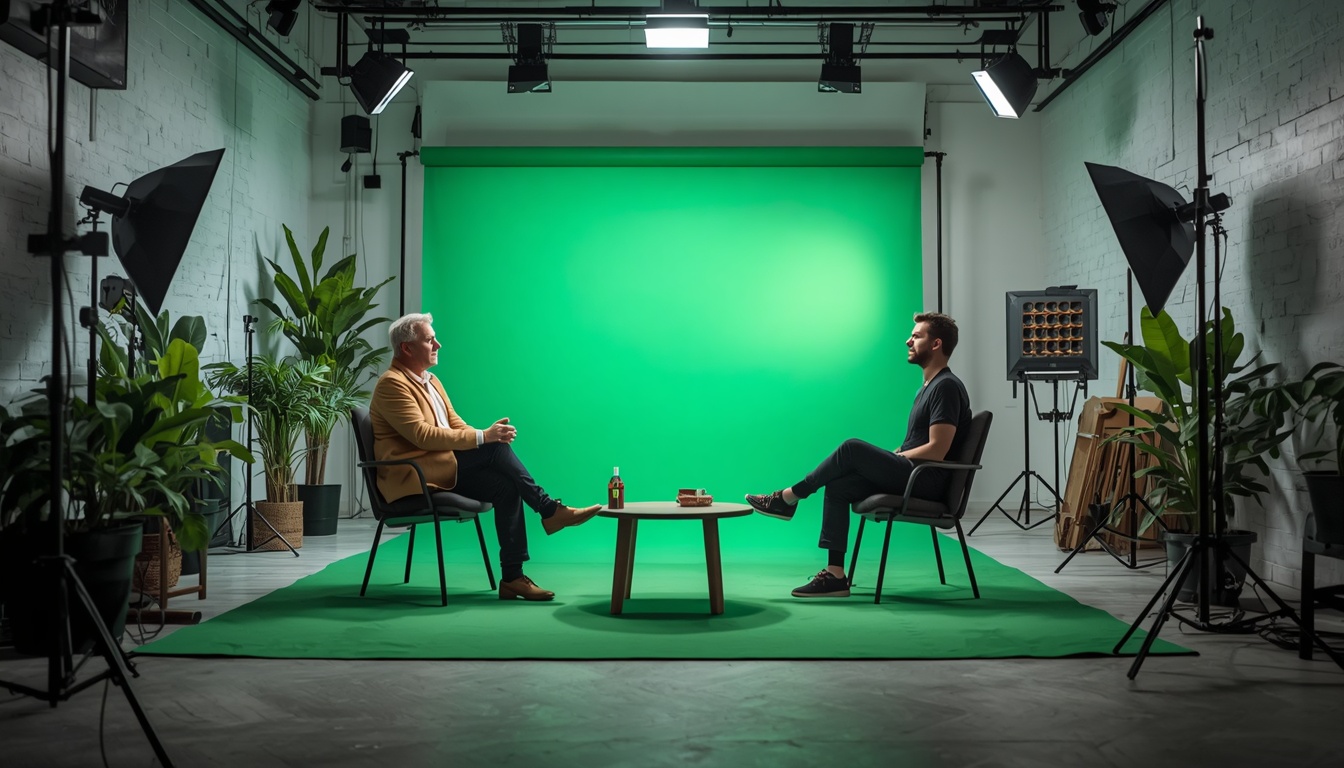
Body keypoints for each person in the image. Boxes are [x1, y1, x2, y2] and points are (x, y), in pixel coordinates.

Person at [369, 312, 602, 602]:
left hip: (442, 468)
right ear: (407, 348)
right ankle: (549, 510)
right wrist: (484, 438)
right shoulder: (393, 384)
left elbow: (455, 423)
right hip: (414, 476)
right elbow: (422, 435)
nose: (438, 345)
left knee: (506, 487)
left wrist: (483, 434)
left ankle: (513, 578)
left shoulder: (431, 381)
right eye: (429, 340)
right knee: (495, 448)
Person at [745, 312, 972, 598]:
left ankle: (788, 497)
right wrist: (894, 455)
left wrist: (898, 459)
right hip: (914, 473)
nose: (908, 340)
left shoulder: (946, 387)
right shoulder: (926, 388)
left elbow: (937, 450)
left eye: (917, 336)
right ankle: (835, 575)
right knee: (839, 485)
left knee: (852, 447)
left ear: (936, 343)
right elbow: (918, 443)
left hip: (927, 480)